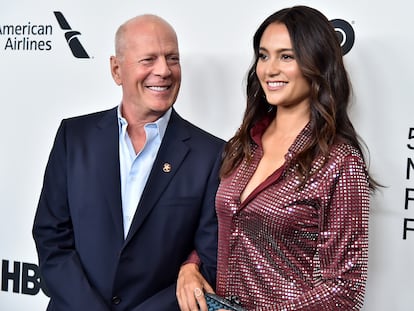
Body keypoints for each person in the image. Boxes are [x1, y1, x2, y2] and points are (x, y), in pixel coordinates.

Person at [177, 5, 379, 311]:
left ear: (317, 63)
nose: (269, 69)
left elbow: (344, 289)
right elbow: (224, 226)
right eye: (263, 55)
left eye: (286, 56)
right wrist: (191, 266)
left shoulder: (339, 162)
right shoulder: (243, 144)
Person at [32, 14, 224, 311]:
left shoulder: (211, 154)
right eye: (148, 60)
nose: (164, 70)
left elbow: (210, 259)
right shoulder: (74, 137)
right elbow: (51, 236)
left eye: (172, 58)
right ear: (116, 69)